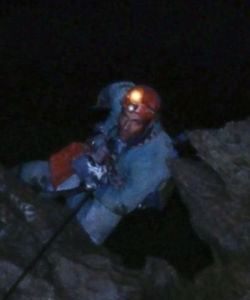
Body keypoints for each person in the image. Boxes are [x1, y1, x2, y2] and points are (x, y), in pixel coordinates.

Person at [20, 81, 176, 244]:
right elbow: (112, 91)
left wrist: (97, 186)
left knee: (82, 235)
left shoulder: (153, 160)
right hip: (97, 163)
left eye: (135, 122)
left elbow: (123, 204)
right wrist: (98, 113)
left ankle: (76, 248)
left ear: (149, 123)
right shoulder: (123, 98)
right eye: (124, 115)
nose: (125, 125)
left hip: (118, 193)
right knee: (31, 173)